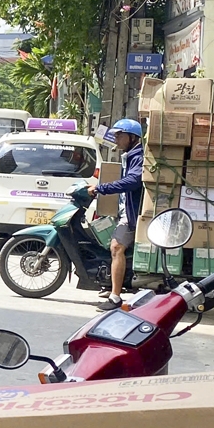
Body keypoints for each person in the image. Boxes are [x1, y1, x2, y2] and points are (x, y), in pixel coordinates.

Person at [88, 118, 144, 312]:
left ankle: (115, 297)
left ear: (132, 137)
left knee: (116, 247)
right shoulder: (130, 154)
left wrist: (102, 188)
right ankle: (112, 283)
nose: (117, 139)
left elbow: (133, 181)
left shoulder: (139, 155)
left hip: (133, 212)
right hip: (125, 210)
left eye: (120, 135)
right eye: (116, 135)